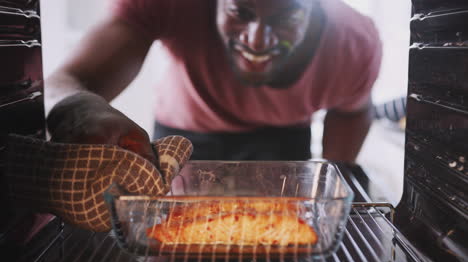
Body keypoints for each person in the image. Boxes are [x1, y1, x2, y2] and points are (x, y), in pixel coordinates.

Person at [45, 0, 382, 163]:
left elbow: (352, 112)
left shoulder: (351, 41)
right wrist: (79, 108)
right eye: (240, 12)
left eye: (285, 18)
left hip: (284, 141)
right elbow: (68, 80)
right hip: (185, 136)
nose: (258, 41)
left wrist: (337, 175)